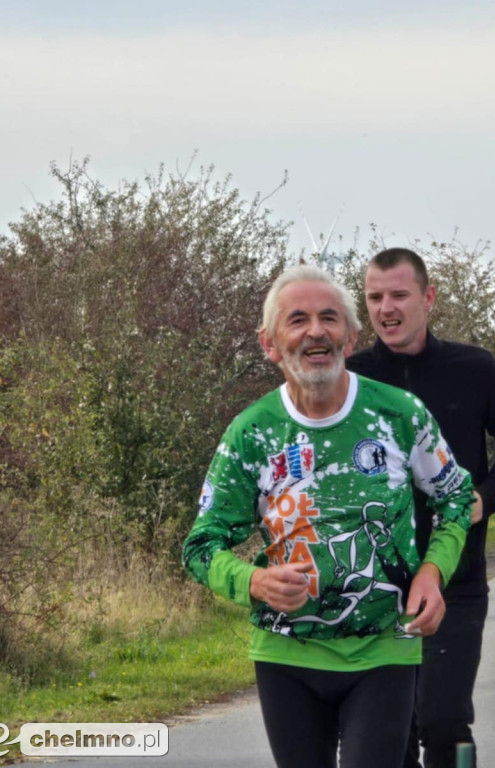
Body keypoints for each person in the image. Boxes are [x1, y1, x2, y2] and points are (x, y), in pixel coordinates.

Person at [182, 264, 475, 768]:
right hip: (285, 655)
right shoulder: (251, 434)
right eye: (297, 320)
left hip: (385, 646)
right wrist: (254, 582)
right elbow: (200, 547)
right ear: (270, 344)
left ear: (351, 336)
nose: (315, 331)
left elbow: (455, 499)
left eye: (329, 318)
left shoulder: (400, 414)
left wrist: (432, 572)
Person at [346, 248, 495, 768]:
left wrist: (483, 499)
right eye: (375, 297)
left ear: (428, 299)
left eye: (399, 295)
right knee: (393, 729)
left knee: (443, 718)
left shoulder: (474, 369)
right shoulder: (351, 380)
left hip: (457, 577)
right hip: (374, 585)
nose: (386, 308)